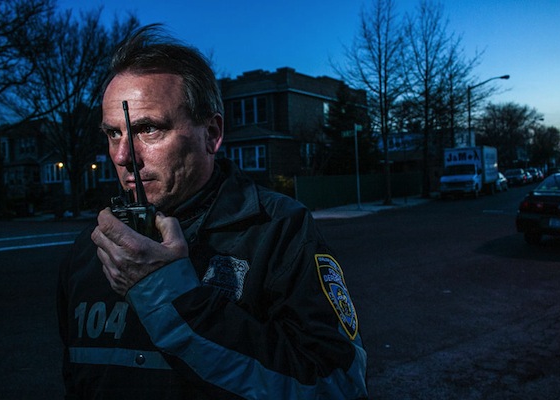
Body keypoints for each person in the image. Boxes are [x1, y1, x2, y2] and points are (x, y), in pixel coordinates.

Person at [57, 24, 368, 399]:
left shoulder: (277, 230)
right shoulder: (90, 248)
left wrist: (167, 295)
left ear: (212, 134)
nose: (123, 157)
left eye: (149, 129)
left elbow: (338, 386)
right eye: (113, 134)